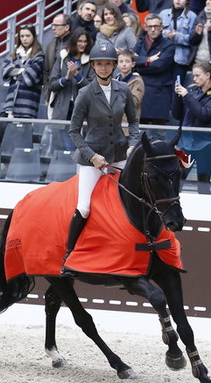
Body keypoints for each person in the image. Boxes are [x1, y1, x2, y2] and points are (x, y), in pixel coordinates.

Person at [65, 42, 139, 259]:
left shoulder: (123, 89)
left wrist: (133, 145)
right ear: (94, 66)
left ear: (114, 66)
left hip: (119, 153)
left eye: (108, 64)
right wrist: (92, 156)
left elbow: (133, 122)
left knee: (133, 198)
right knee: (85, 206)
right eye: (99, 64)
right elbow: (74, 132)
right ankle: (68, 254)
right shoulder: (85, 93)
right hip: (92, 158)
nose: (104, 68)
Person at [172, 61, 211, 194]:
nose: (194, 79)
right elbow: (176, 114)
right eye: (194, 76)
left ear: (207, 75)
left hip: (205, 144)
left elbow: (204, 115)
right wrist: (177, 95)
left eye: (198, 76)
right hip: (187, 142)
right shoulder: (192, 90)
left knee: (203, 183)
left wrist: (187, 96)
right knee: (178, 179)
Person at [132, 13, 175, 136]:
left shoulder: (169, 45)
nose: (152, 29)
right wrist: (148, 60)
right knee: (140, 134)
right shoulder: (139, 44)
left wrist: (140, 62)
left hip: (160, 94)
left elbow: (160, 66)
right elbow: (131, 61)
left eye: (156, 26)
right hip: (141, 91)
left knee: (158, 135)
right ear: (145, 27)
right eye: (150, 26)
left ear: (161, 27)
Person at [49, 28, 94, 121]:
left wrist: (77, 75)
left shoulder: (91, 61)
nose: (83, 44)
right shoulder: (63, 57)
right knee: (60, 134)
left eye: (85, 41)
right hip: (61, 108)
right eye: (80, 41)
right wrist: (66, 78)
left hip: (82, 108)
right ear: (74, 42)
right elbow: (52, 85)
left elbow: (92, 88)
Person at [1, 24, 44, 119]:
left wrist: (14, 71)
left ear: (34, 37)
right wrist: (22, 71)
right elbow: (5, 70)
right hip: (10, 105)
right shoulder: (14, 55)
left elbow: (29, 77)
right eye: (22, 36)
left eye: (28, 36)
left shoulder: (39, 56)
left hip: (28, 105)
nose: (24, 39)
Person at [160, 0, 198, 83]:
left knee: (177, 87)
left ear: (187, 1)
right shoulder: (163, 14)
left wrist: (177, 36)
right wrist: (166, 34)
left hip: (181, 58)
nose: (178, 0)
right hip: (164, 57)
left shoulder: (192, 16)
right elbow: (156, 34)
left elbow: (193, 39)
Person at [43, 13, 71, 108]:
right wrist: (47, 92)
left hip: (69, 90)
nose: (53, 28)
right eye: (52, 25)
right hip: (53, 91)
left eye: (56, 25)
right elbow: (46, 72)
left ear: (66, 27)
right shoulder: (50, 45)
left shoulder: (75, 43)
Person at [116, 49, 144, 122]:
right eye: (121, 61)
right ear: (117, 64)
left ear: (133, 64)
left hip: (129, 125)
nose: (124, 64)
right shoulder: (114, 81)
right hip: (114, 126)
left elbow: (133, 102)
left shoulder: (137, 81)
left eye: (127, 61)